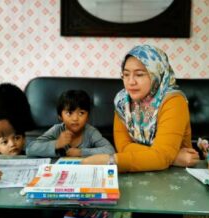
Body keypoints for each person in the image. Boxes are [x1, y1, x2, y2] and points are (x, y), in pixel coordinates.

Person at [82, 44, 199, 172]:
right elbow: (123, 147)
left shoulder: (173, 101)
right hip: (141, 173)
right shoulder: (123, 101)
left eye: (139, 74)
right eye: (126, 74)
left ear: (156, 73)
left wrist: (111, 160)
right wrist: (172, 158)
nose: (131, 82)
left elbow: (160, 156)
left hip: (176, 175)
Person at [26, 89, 115, 158]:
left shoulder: (90, 132)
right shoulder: (57, 130)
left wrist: (81, 152)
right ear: (60, 116)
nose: (75, 118)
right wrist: (56, 144)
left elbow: (110, 150)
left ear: (87, 116)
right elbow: (30, 149)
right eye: (69, 113)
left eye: (81, 113)